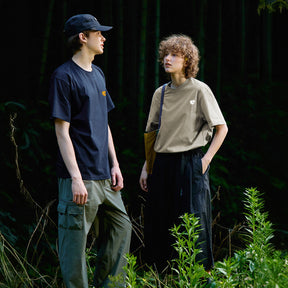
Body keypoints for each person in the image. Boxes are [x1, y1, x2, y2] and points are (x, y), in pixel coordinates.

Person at [48, 14, 132, 288]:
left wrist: (115, 164)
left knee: (122, 228)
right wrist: (74, 177)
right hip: (80, 178)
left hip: (105, 176)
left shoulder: (98, 74)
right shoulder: (63, 76)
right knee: (74, 247)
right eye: (98, 33)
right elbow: (62, 131)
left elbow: (104, 123)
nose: (104, 38)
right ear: (83, 37)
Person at [139, 34, 228, 272]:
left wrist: (206, 160)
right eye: (166, 54)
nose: (168, 59)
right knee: (160, 221)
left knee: (193, 220)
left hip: (190, 161)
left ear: (187, 60)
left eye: (175, 55)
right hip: (161, 163)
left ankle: (197, 277)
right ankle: (161, 277)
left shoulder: (200, 90)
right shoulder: (161, 93)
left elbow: (222, 128)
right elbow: (153, 134)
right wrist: (146, 168)